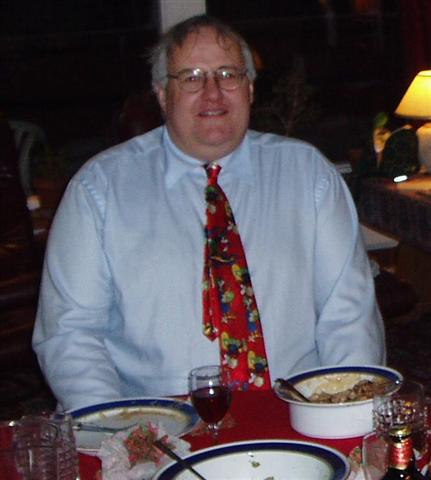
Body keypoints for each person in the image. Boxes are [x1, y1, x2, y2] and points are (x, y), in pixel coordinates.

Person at [33, 15, 385, 411]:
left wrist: (344, 417)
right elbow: (71, 333)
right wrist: (119, 429)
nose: (213, 93)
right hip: (154, 421)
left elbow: (349, 317)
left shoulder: (309, 175)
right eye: (192, 77)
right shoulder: (99, 190)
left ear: (250, 88)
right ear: (162, 94)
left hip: (295, 413)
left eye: (228, 75)